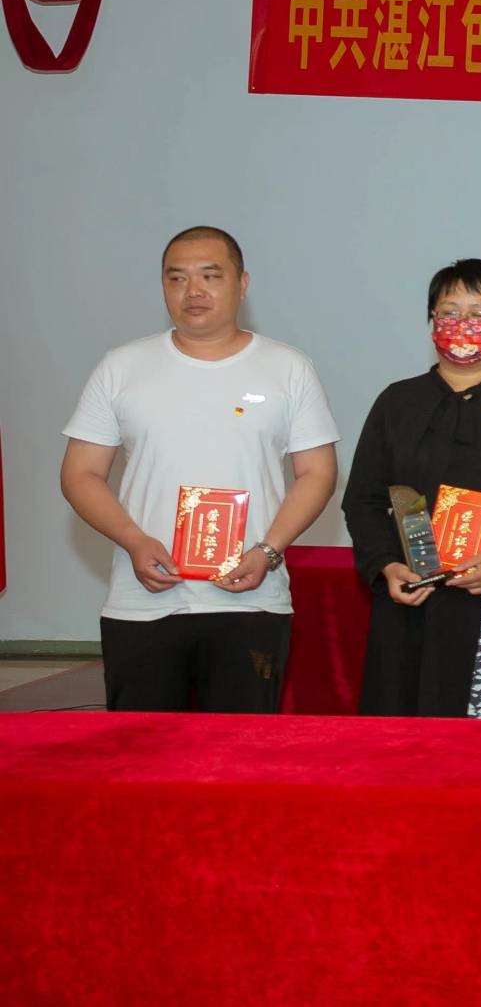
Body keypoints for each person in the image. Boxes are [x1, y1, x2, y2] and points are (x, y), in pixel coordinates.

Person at [60, 226, 339, 712]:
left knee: (241, 750)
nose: (193, 291)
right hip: (143, 599)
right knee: (141, 749)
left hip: (251, 599)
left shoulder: (287, 367)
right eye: (177, 278)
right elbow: (80, 474)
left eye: (211, 276)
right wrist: (134, 540)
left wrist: (269, 550)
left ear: (242, 284)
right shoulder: (122, 367)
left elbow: (317, 472)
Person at [342, 259, 481, 718]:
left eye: (478, 312)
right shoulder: (397, 400)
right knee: (408, 733)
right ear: (431, 320)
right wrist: (386, 566)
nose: (463, 324)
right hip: (414, 597)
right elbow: (363, 500)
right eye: (449, 311)